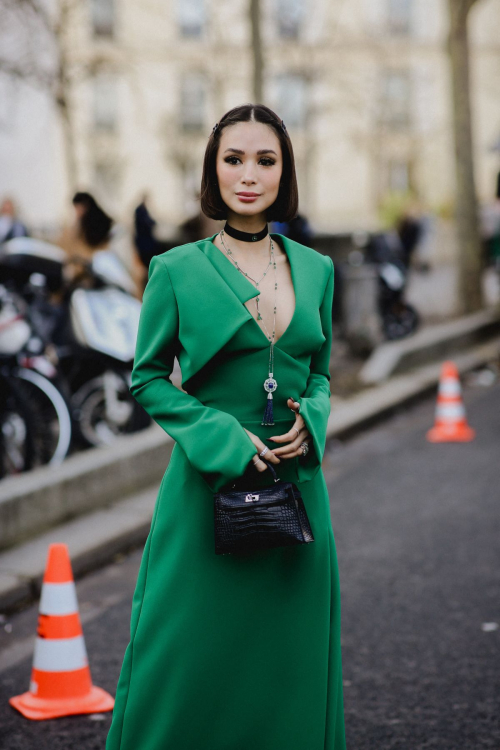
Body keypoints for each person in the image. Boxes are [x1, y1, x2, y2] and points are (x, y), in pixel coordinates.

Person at [106, 103, 346, 750]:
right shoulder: (175, 271)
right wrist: (219, 434)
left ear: (283, 171)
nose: (249, 174)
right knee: (183, 659)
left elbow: (320, 374)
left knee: (289, 664)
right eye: (233, 159)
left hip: (297, 495)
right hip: (205, 490)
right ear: (214, 169)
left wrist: (313, 421)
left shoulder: (318, 270)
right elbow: (148, 378)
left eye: (265, 160)